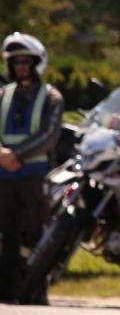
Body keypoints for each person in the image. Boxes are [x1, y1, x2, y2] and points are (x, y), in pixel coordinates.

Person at [0, 33, 64, 305]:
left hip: (34, 177)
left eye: (26, 61)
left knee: (36, 235)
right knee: (6, 236)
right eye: (16, 62)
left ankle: (35, 291)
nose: (21, 67)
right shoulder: (3, 94)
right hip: (4, 175)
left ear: (37, 62)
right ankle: (6, 290)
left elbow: (49, 135)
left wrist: (17, 155)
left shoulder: (51, 96)